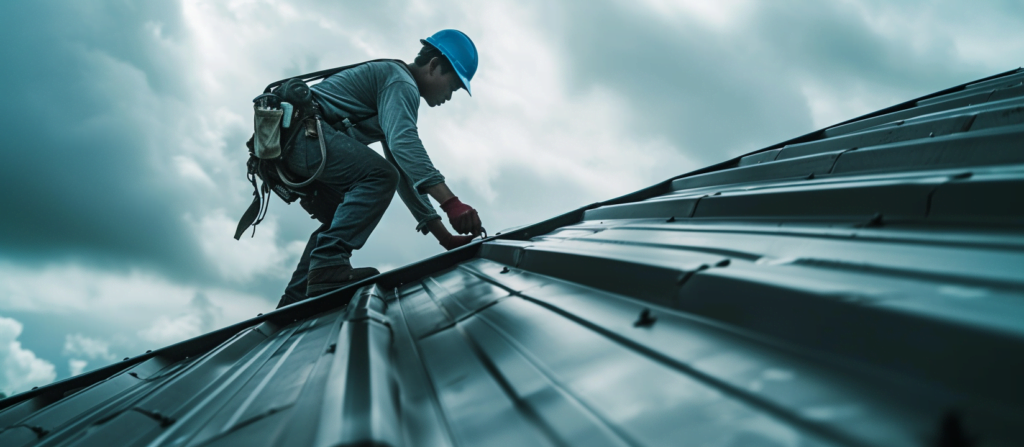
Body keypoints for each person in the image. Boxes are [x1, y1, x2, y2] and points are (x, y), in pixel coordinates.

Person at [276, 29, 483, 307]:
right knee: (380, 176)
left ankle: (296, 297)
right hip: (302, 135)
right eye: (453, 85)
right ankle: (327, 265)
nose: (450, 95)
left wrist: (444, 237)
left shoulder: (393, 88)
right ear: (434, 65)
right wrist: (451, 203)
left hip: (294, 140)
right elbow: (404, 144)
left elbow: (404, 171)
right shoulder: (402, 83)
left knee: (344, 211)